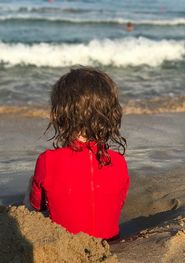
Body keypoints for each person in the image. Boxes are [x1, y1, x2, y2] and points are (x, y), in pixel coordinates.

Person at [29, 67, 129, 240]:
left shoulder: (48, 160)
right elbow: (117, 203)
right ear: (111, 115)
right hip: (111, 242)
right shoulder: (119, 161)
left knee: (34, 184)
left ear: (60, 114)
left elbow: (37, 206)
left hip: (67, 244)